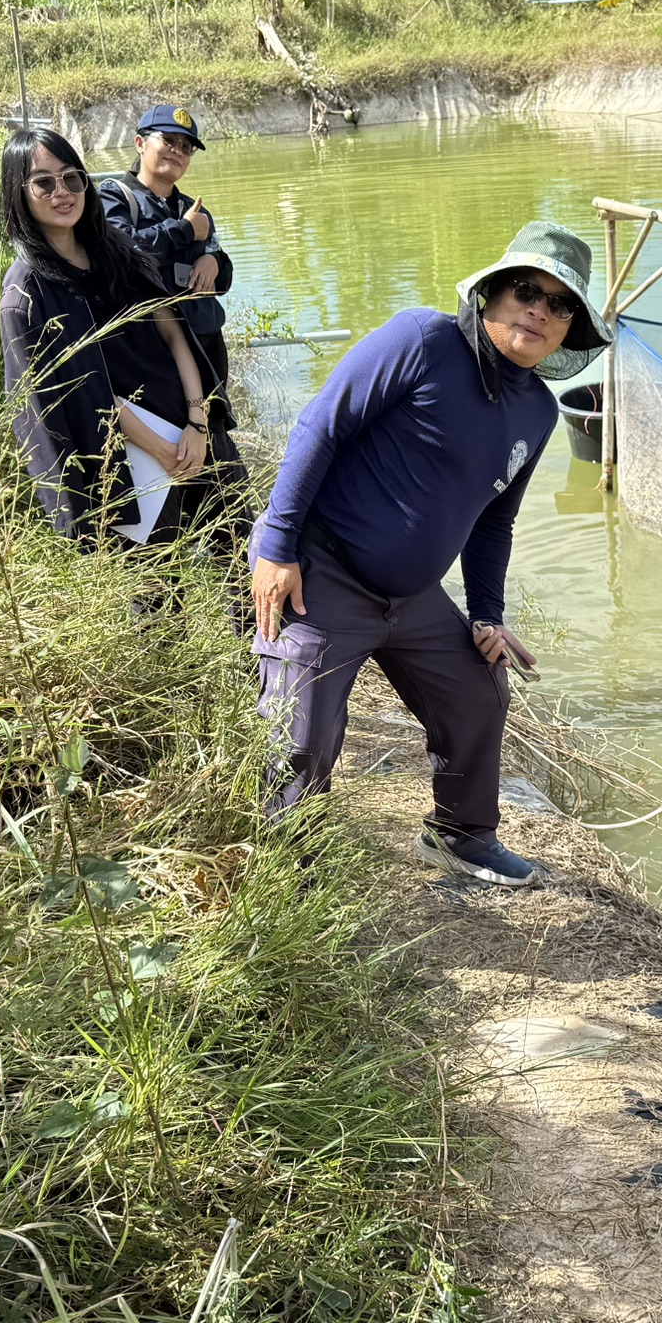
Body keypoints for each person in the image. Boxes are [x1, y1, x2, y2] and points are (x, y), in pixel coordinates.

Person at [251, 221, 611, 888]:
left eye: (560, 304)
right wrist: (276, 546)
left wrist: (489, 615)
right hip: (322, 568)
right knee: (302, 735)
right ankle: (285, 876)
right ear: (494, 293)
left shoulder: (535, 410)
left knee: (479, 692)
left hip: (411, 597)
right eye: (526, 289)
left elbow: (493, 522)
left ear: (570, 328)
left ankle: (460, 833)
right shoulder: (420, 340)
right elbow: (320, 426)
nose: (538, 309)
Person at [0, 125, 247, 551]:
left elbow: (172, 331)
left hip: (191, 428)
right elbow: (75, 397)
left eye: (71, 178)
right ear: (18, 194)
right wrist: (162, 450)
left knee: (243, 550)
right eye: (43, 182)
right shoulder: (27, 295)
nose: (62, 192)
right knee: (158, 599)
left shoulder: (113, 248)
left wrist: (197, 422)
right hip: (126, 461)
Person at [97, 104, 236, 394]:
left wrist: (214, 262)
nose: (177, 151)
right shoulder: (113, 197)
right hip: (152, 347)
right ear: (140, 143)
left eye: (186, 147)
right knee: (172, 433)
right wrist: (184, 231)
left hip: (207, 341)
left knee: (214, 432)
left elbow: (223, 280)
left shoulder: (195, 209)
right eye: (168, 141)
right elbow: (126, 252)